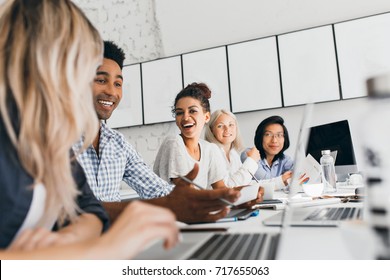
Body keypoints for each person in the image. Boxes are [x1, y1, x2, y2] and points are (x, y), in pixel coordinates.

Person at [0, 0, 179, 259]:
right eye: (82, 65)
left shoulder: (48, 137)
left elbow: (90, 211)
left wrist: (66, 241)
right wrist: (99, 251)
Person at [75, 43, 240, 223]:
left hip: (116, 243)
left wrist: (229, 201)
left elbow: (157, 189)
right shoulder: (55, 139)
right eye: (101, 80)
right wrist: (162, 206)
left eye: (118, 83)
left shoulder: (117, 144)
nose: (111, 91)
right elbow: (65, 210)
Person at [153, 83, 229, 190]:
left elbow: (221, 188)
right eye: (179, 113)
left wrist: (248, 193)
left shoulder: (210, 149)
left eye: (192, 111)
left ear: (207, 117)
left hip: (197, 206)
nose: (185, 117)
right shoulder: (174, 142)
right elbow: (187, 192)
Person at [205, 109, 261, 187]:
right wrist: (251, 160)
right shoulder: (211, 151)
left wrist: (280, 181)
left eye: (231, 125)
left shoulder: (233, 153)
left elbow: (243, 183)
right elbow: (227, 188)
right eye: (220, 126)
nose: (227, 129)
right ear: (212, 130)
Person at [241, 115, 293, 190]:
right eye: (268, 134)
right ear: (260, 137)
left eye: (279, 135)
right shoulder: (249, 154)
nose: (274, 140)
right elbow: (265, 182)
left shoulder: (286, 160)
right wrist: (284, 179)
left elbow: (295, 181)